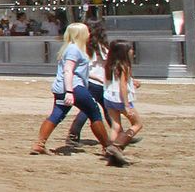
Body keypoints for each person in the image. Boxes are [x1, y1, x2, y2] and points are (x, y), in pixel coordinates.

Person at [30, 22, 126, 165]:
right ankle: (108, 148)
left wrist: (96, 78)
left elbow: (75, 71)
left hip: (62, 88)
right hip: (74, 88)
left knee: (57, 114)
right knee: (94, 113)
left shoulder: (69, 48)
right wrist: (70, 91)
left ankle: (39, 144)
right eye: (86, 32)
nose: (88, 34)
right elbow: (69, 70)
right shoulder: (75, 49)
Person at [65, 23, 110, 148]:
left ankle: (73, 134)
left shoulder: (82, 46)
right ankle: (119, 135)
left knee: (91, 109)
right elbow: (109, 62)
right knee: (98, 110)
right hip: (98, 82)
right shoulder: (100, 47)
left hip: (89, 80)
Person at [103, 41, 144, 144]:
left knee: (115, 126)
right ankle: (119, 144)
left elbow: (115, 81)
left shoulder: (109, 64)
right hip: (120, 100)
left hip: (109, 97)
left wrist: (132, 81)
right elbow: (123, 86)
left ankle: (109, 146)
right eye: (130, 49)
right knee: (137, 124)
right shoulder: (124, 66)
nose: (132, 51)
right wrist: (126, 105)